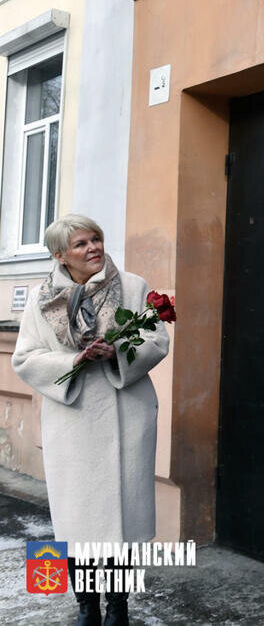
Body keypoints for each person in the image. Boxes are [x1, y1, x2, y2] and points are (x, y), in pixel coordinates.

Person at [13, 214, 169, 626]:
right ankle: (86, 606)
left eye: (96, 239)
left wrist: (119, 353)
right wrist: (74, 359)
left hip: (126, 416)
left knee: (122, 519)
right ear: (60, 254)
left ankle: (118, 606)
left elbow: (156, 339)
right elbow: (25, 359)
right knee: (77, 520)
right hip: (73, 421)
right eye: (82, 244)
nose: (94, 248)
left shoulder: (131, 286)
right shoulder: (41, 299)